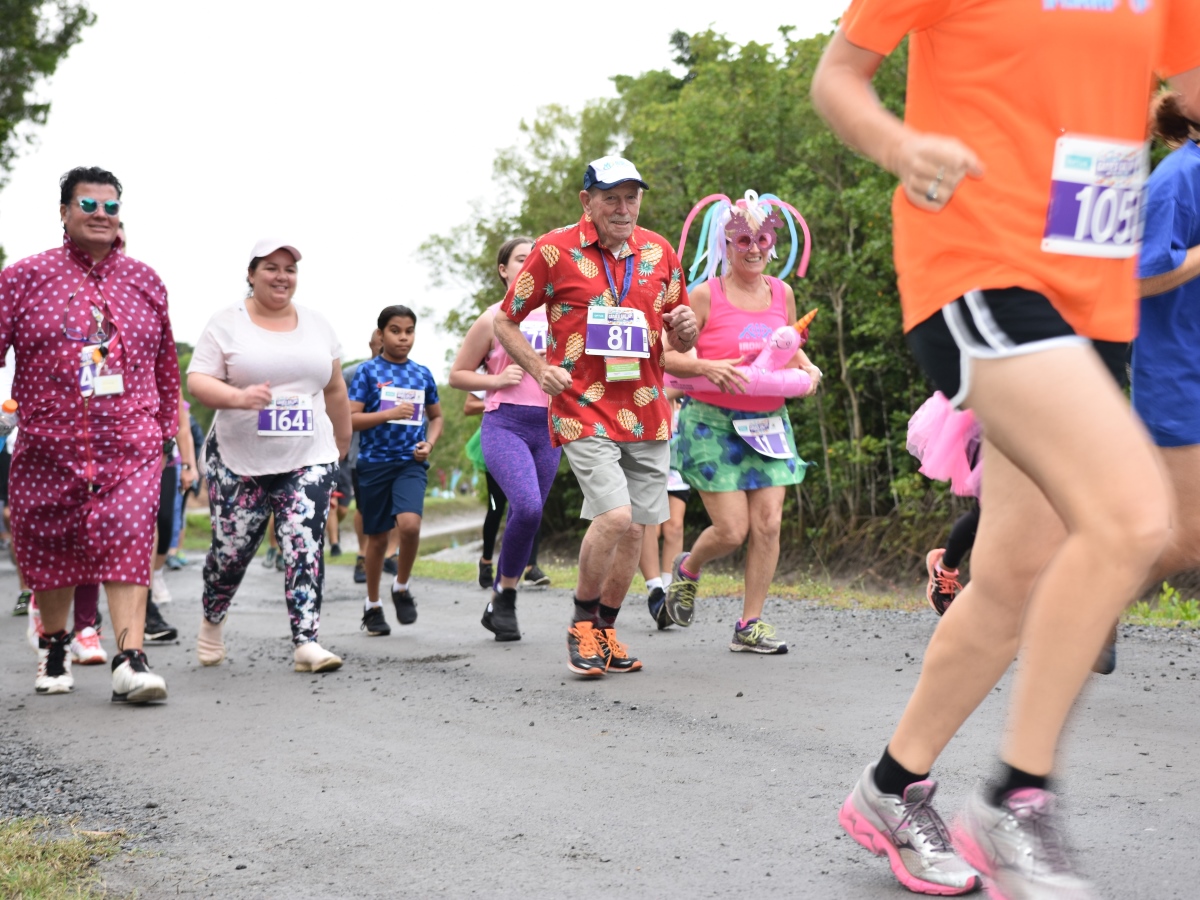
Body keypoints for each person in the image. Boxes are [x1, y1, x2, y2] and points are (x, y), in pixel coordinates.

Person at [812, 5, 1200, 896]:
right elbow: (839, 75)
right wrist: (897, 146)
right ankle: (1018, 797)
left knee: (1016, 570)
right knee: (1134, 515)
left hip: (1094, 294)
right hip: (979, 260)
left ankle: (888, 787)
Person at [495, 155, 698, 676]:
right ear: (587, 201)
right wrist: (539, 369)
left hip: (647, 408)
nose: (624, 208)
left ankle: (606, 630)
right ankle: (581, 625)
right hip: (581, 405)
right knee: (615, 516)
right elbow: (505, 322)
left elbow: (678, 333)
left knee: (635, 531)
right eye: (611, 197)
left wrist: (686, 329)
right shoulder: (553, 250)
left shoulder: (659, 251)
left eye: (632, 197)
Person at [0, 165, 179, 703]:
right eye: (88, 205)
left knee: (129, 534)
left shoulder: (146, 281)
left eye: (111, 206)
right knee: (51, 548)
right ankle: (54, 647)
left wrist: (165, 430)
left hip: (131, 442)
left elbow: (165, 367)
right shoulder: (22, 278)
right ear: (64, 212)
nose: (101, 215)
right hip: (48, 442)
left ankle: (130, 657)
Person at [663, 190, 820, 654]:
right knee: (733, 531)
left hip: (769, 422)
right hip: (711, 422)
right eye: (743, 239)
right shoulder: (703, 295)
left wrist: (807, 367)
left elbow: (785, 343)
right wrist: (709, 367)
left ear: (774, 244)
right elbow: (669, 356)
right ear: (725, 244)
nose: (754, 248)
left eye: (763, 239)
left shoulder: (782, 293)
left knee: (768, 524)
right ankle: (689, 566)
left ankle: (749, 624)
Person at [187, 239, 351, 673]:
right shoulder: (226, 323)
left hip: (308, 455)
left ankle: (306, 641)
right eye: (271, 268)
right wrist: (238, 397)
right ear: (251, 273)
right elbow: (199, 381)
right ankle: (212, 618)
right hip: (239, 460)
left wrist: (342, 441)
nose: (282, 277)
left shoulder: (317, 324)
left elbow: (334, 388)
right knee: (232, 551)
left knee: (304, 540)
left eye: (290, 269)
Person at [449, 236, 558, 641]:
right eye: (520, 257)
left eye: (537, 258)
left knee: (529, 514)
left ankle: (501, 598)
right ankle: (507, 597)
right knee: (526, 508)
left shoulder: (562, 316)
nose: (530, 263)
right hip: (504, 426)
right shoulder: (493, 317)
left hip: (549, 429)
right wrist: (496, 379)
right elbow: (457, 374)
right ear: (504, 270)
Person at [1126, 91, 1200, 657]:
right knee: (1184, 540)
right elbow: (1139, 278)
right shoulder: (1176, 178)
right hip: (1177, 371)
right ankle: (1087, 601)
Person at [348, 305, 442, 637]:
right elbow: (351, 418)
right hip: (373, 464)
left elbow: (438, 417)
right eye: (395, 331)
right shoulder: (367, 372)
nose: (403, 338)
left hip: (409, 463)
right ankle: (372, 605)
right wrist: (388, 414)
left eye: (409, 331)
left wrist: (429, 444)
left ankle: (401, 587)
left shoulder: (422, 373)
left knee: (410, 525)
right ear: (381, 334)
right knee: (376, 540)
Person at [638, 392, 688, 628]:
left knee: (675, 526)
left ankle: (670, 589)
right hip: (648, 458)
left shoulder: (688, 364)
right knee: (651, 526)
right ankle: (655, 589)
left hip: (677, 467)